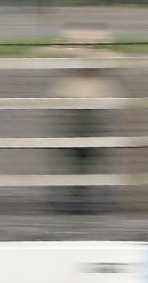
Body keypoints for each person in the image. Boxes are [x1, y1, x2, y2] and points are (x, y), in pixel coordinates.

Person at [49, 30, 117, 214]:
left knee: (92, 154)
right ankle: (76, 193)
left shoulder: (104, 58)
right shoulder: (69, 56)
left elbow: (106, 58)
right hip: (73, 112)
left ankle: (87, 192)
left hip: (93, 112)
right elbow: (57, 51)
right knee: (73, 155)